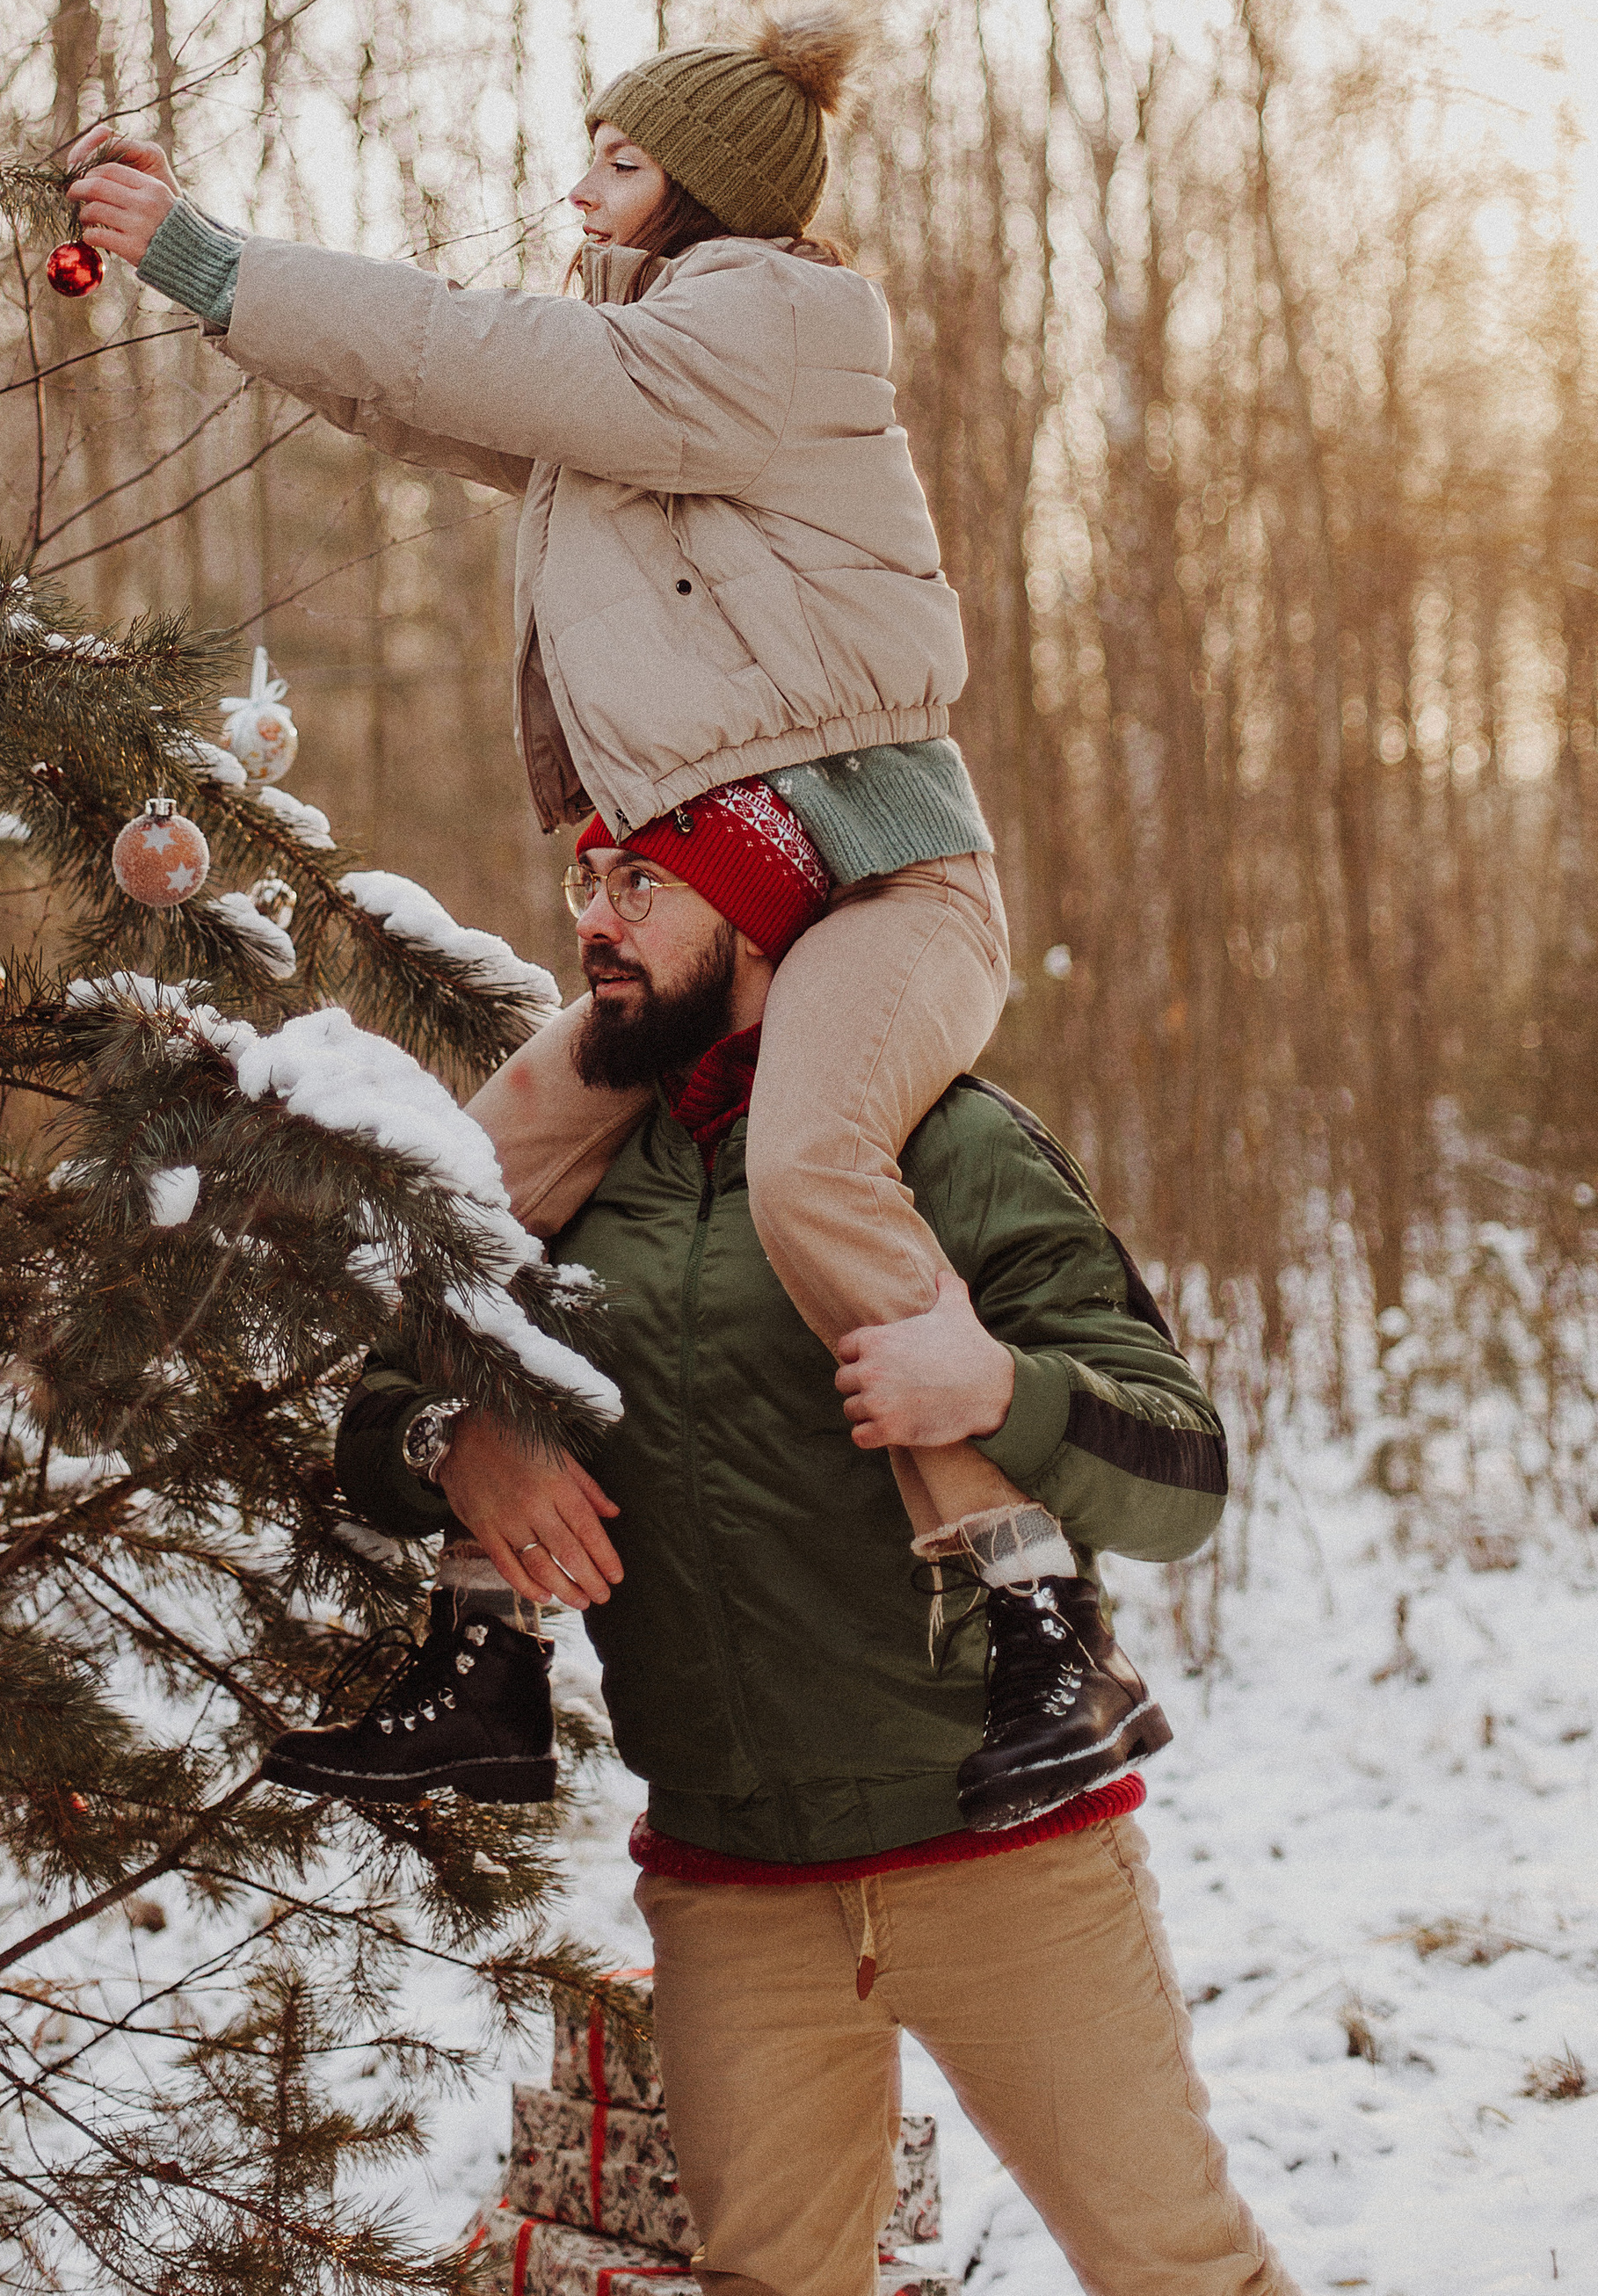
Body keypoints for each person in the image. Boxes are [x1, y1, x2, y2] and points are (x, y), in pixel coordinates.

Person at [66, 4, 1164, 1822]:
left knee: (814, 1165)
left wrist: (206, 249)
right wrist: (201, 284)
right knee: (475, 1184)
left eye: (620, 160)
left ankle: (1040, 1617)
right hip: (711, 907)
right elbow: (415, 384)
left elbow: (470, 349)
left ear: (708, 194)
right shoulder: (654, 371)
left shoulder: (774, 327)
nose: (576, 185)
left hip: (878, 885)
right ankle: (481, 1657)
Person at [309, 825, 1297, 2296]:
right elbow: (372, 1408)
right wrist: (458, 1438)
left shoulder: (947, 1148)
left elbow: (1186, 1473)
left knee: (1178, 2270)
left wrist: (1001, 1394)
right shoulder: (570, 1170)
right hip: (731, 1882)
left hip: (1003, 1856)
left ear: (765, 911)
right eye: (587, 885)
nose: (597, 923)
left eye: (644, 885)